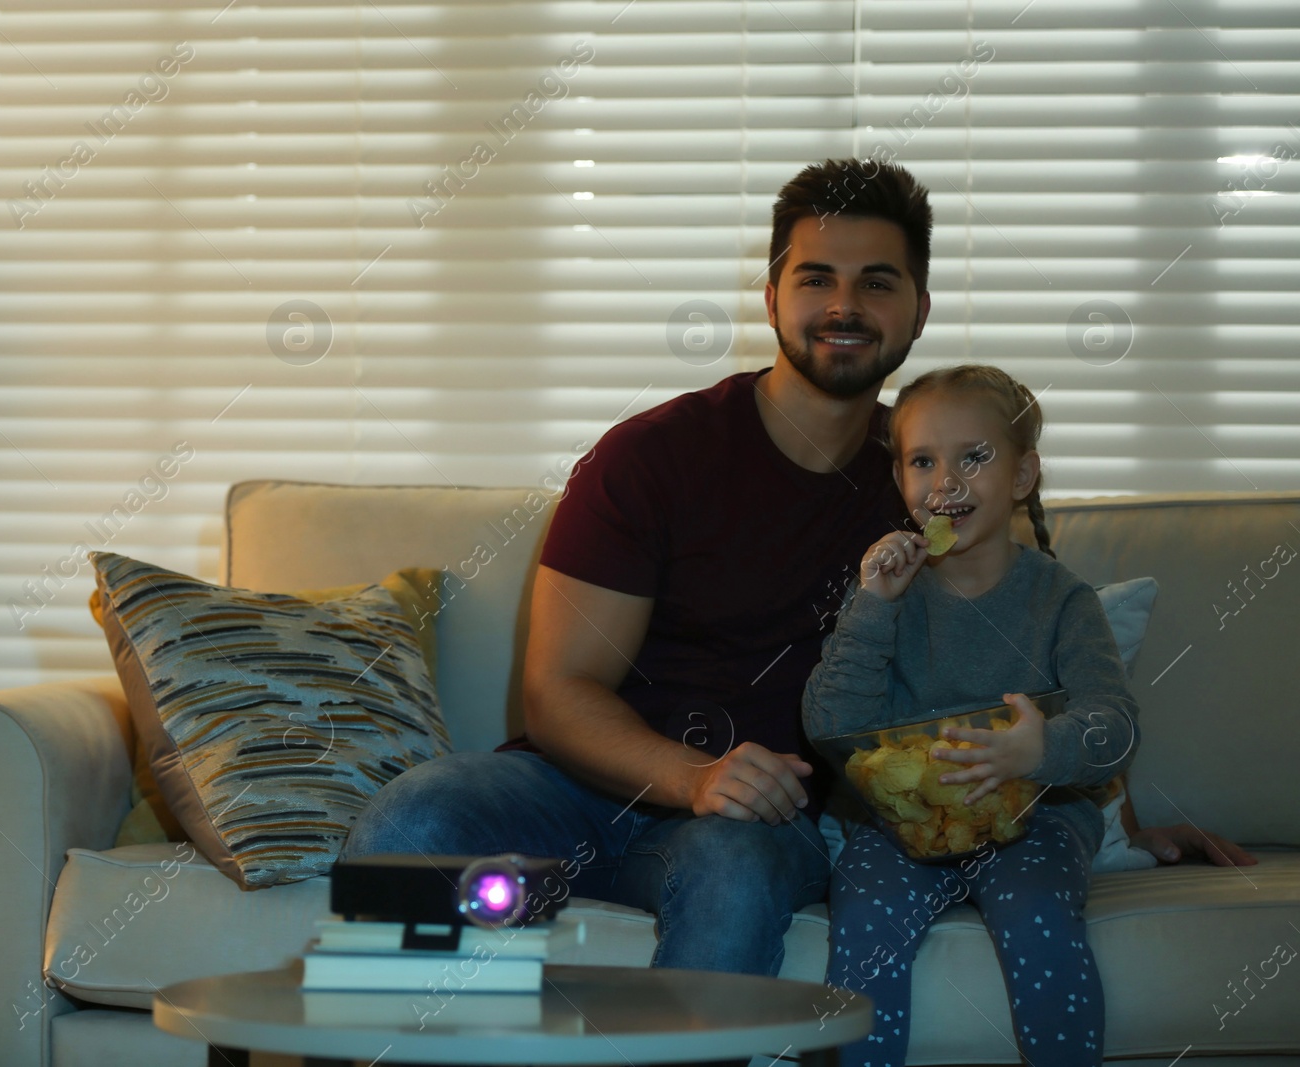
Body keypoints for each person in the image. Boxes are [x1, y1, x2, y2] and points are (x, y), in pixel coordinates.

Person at [340, 158, 1253, 986]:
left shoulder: (933, 478)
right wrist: (696, 775)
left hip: (770, 823)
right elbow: (558, 690)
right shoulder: (650, 459)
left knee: (731, 867)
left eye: (877, 282)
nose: (843, 305)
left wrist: (1123, 832)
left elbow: (1030, 651)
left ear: (919, 310)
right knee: (414, 819)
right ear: (773, 294)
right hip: (579, 793)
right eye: (816, 277)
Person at [804, 364, 1135, 1065]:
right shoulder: (885, 594)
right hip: (899, 829)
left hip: (1035, 821)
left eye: (973, 458)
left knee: (1039, 915)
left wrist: (1042, 748)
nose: (945, 481)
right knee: (862, 918)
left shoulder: (1063, 601)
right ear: (900, 479)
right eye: (923, 460)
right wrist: (874, 607)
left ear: (1022, 476)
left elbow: (1116, 726)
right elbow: (831, 725)